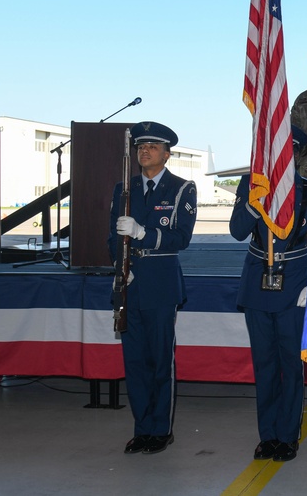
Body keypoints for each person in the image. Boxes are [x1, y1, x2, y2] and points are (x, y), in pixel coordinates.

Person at [108, 121, 197, 456]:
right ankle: (142, 428)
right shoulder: (124, 189)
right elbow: (111, 237)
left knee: (160, 361)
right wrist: (121, 269)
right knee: (135, 363)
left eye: (153, 147)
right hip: (130, 284)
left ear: (167, 153)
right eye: (140, 147)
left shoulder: (181, 188)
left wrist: (144, 234)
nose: (144, 152)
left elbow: (181, 238)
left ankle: (161, 430)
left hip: (160, 283)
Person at [229, 126, 307, 463]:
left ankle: (287, 435)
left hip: (294, 282)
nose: (282, 157)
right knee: (264, 364)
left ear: (297, 154)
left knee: (291, 365)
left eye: (289, 150)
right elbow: (238, 231)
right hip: (257, 282)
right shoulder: (251, 186)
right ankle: (268, 436)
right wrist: (256, 203)